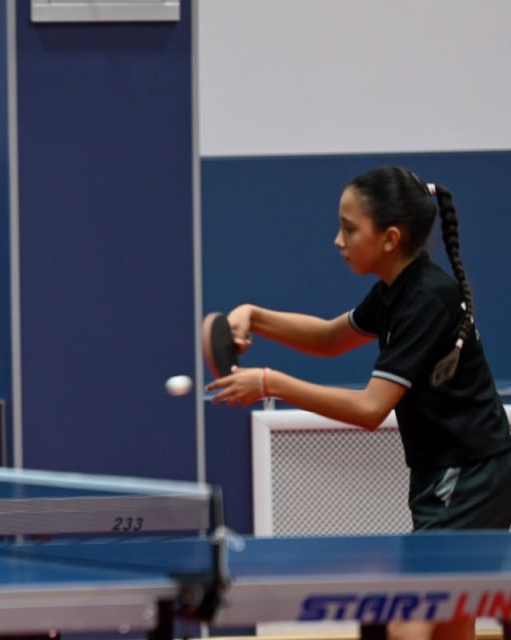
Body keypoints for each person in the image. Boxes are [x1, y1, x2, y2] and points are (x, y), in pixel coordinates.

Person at [207, 166, 511, 640]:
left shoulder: (427, 298)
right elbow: (330, 338)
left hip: (470, 472)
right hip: (445, 470)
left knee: (409, 616)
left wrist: (271, 383)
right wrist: (255, 316)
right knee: (450, 618)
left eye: (349, 229)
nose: (338, 240)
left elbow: (371, 409)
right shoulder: (396, 291)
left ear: (390, 238)